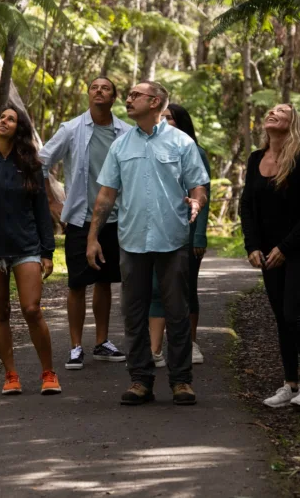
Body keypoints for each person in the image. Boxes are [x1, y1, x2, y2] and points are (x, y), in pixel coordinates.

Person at [86, 81, 209, 406]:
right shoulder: (121, 145)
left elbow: (199, 186)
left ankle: (182, 381)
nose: (128, 99)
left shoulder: (182, 143)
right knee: (133, 313)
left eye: (135, 95)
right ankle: (140, 380)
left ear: (154, 101)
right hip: (132, 241)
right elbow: (106, 195)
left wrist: (196, 203)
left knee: (177, 312)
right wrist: (93, 237)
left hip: (172, 242)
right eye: (128, 95)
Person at [0, 105, 61, 396]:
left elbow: (42, 209)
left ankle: (48, 372)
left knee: (31, 309)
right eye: (1, 117)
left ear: (19, 128)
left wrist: (47, 251)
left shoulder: (31, 165)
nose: (3, 121)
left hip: (26, 246)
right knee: (0, 311)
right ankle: (11, 375)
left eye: (10, 119)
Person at [39, 76, 130, 370]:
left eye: (105, 88)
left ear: (114, 97)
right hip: (80, 218)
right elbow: (40, 161)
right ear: (88, 95)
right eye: (94, 87)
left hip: (115, 218)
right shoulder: (72, 129)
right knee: (78, 283)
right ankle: (76, 346)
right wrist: (53, 202)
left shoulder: (125, 132)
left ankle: (102, 342)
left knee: (105, 281)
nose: (99, 91)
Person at [240, 103, 300, 409]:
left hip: (299, 247)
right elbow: (247, 206)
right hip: (267, 252)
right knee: (281, 319)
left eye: (282, 111)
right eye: (271, 110)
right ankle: (290, 384)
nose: (273, 113)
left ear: (292, 123)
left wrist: (284, 248)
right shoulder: (254, 160)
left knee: (293, 314)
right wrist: (252, 246)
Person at [148, 104, 211, 368]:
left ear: (181, 122)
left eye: (168, 118)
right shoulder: (153, 149)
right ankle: (155, 350)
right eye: (160, 118)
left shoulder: (195, 151)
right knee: (155, 289)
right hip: (157, 233)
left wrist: (199, 236)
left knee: (186, 289)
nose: (163, 122)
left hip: (187, 233)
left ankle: (191, 342)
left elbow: (203, 193)